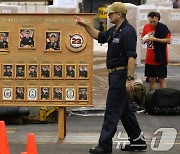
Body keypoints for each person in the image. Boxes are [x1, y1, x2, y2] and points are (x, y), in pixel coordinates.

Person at [76, 2, 147, 153]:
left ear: (119, 15)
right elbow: (99, 36)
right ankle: (138, 140)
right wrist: (85, 26)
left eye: (111, 13)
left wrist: (129, 78)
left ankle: (105, 145)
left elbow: (131, 57)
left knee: (112, 110)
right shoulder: (115, 30)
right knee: (125, 110)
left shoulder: (127, 32)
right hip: (114, 75)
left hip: (121, 75)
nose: (108, 15)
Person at [142, 12, 171, 90]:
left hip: (160, 57)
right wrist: (144, 39)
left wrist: (155, 39)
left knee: (161, 79)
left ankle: (163, 96)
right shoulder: (146, 27)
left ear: (158, 19)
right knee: (151, 79)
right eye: (150, 21)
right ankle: (153, 97)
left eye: (154, 22)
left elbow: (168, 40)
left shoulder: (163, 28)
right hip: (149, 58)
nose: (152, 23)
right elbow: (142, 38)